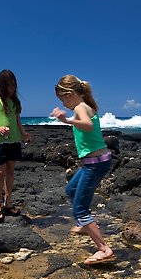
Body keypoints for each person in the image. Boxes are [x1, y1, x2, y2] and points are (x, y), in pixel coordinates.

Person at [50, 75, 115, 265]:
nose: (64, 103)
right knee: (71, 190)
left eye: (63, 99)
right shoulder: (87, 105)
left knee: (80, 208)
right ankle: (83, 224)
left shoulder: (80, 107)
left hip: (95, 163)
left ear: (70, 94)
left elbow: (86, 125)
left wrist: (66, 120)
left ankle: (104, 248)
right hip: (95, 162)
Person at [0, 69, 32, 223]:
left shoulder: (16, 102)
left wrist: (23, 134)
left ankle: (7, 203)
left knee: (10, 172)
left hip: (14, 141)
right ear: (1, 86)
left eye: (13, 85)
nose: (11, 88)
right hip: (0, 142)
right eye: (8, 86)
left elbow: (17, 121)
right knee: (0, 173)